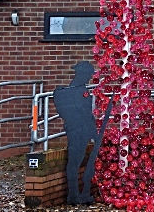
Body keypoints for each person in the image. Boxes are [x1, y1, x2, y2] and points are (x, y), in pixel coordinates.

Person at [52, 61, 98, 205]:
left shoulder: (80, 88)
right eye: (88, 74)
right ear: (82, 74)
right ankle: (73, 196)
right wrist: (93, 131)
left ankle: (77, 195)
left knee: (78, 160)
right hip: (78, 129)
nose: (89, 77)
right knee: (74, 162)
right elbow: (84, 113)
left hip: (81, 129)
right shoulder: (76, 90)